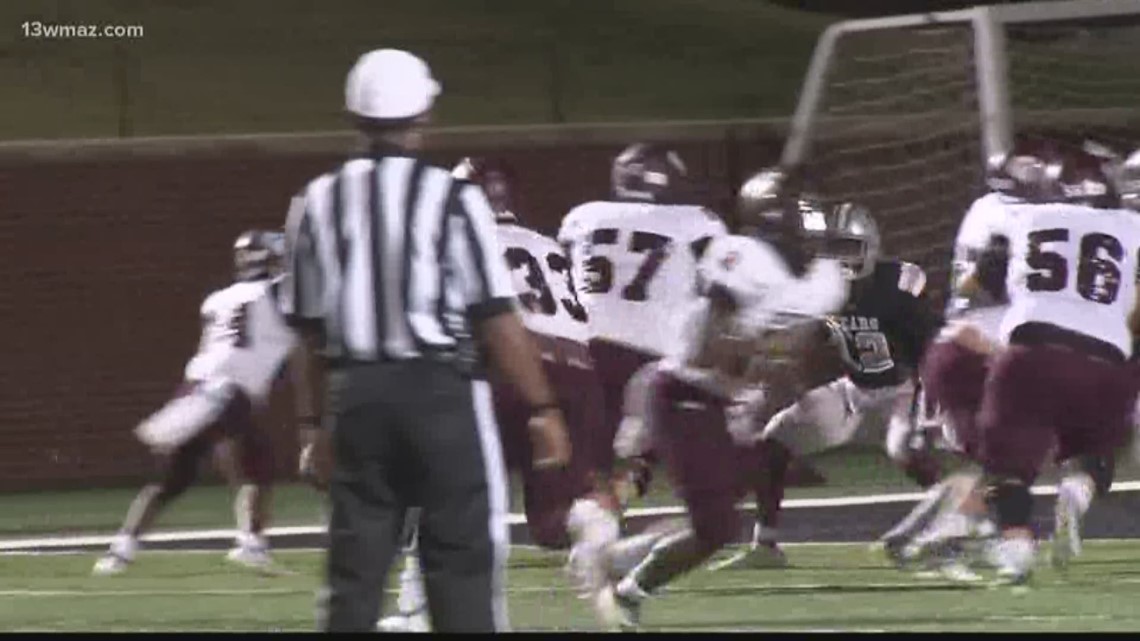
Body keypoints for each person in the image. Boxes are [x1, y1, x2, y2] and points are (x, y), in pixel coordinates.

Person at [280, 49, 570, 633]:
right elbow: (496, 315)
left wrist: (311, 425)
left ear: (351, 115)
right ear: (424, 114)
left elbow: (306, 332)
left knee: (354, 575)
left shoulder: (316, 199)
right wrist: (542, 406)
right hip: (438, 393)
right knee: (460, 564)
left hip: (354, 394)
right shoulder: (453, 198)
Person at [591, 169, 849, 631]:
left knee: (732, 499)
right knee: (717, 528)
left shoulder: (825, 278)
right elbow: (711, 348)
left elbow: (797, 351)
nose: (812, 223)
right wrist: (764, 354)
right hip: (682, 392)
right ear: (771, 215)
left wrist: (783, 387)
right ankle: (625, 594)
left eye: (812, 212)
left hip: (728, 401)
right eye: (801, 212)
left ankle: (620, 558)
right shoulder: (740, 254)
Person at [377, 157, 621, 633]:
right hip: (578, 371)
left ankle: (421, 613)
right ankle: (600, 542)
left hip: (508, 367)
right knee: (558, 515)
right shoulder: (547, 245)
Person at [726, 196, 942, 569]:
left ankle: (954, 523)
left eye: (850, 248)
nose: (842, 259)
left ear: (871, 248)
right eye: (835, 249)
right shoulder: (821, 289)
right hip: (854, 390)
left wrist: (929, 402)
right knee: (773, 442)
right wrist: (784, 375)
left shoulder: (897, 284)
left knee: (903, 450)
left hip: (903, 389)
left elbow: (930, 347)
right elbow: (808, 340)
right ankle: (766, 545)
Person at [93, 230, 293, 576]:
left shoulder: (217, 300)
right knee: (257, 467)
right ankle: (251, 545)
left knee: (174, 478)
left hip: (197, 385)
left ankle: (120, 551)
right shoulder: (276, 292)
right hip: (232, 390)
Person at [557, 143, 728, 477]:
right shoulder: (696, 221)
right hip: (655, 353)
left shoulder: (583, 216)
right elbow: (719, 287)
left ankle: (598, 501)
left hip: (584, 347)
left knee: (590, 461)